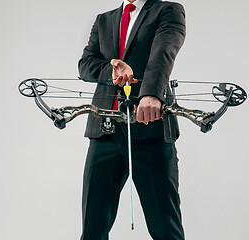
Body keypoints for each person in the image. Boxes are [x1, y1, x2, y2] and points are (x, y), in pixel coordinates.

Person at [78, 0, 186, 239]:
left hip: (150, 129)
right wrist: (111, 69)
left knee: (165, 227)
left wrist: (151, 94)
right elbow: (85, 65)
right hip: (104, 131)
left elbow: (163, 52)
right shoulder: (103, 19)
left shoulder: (167, 10)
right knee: (93, 228)